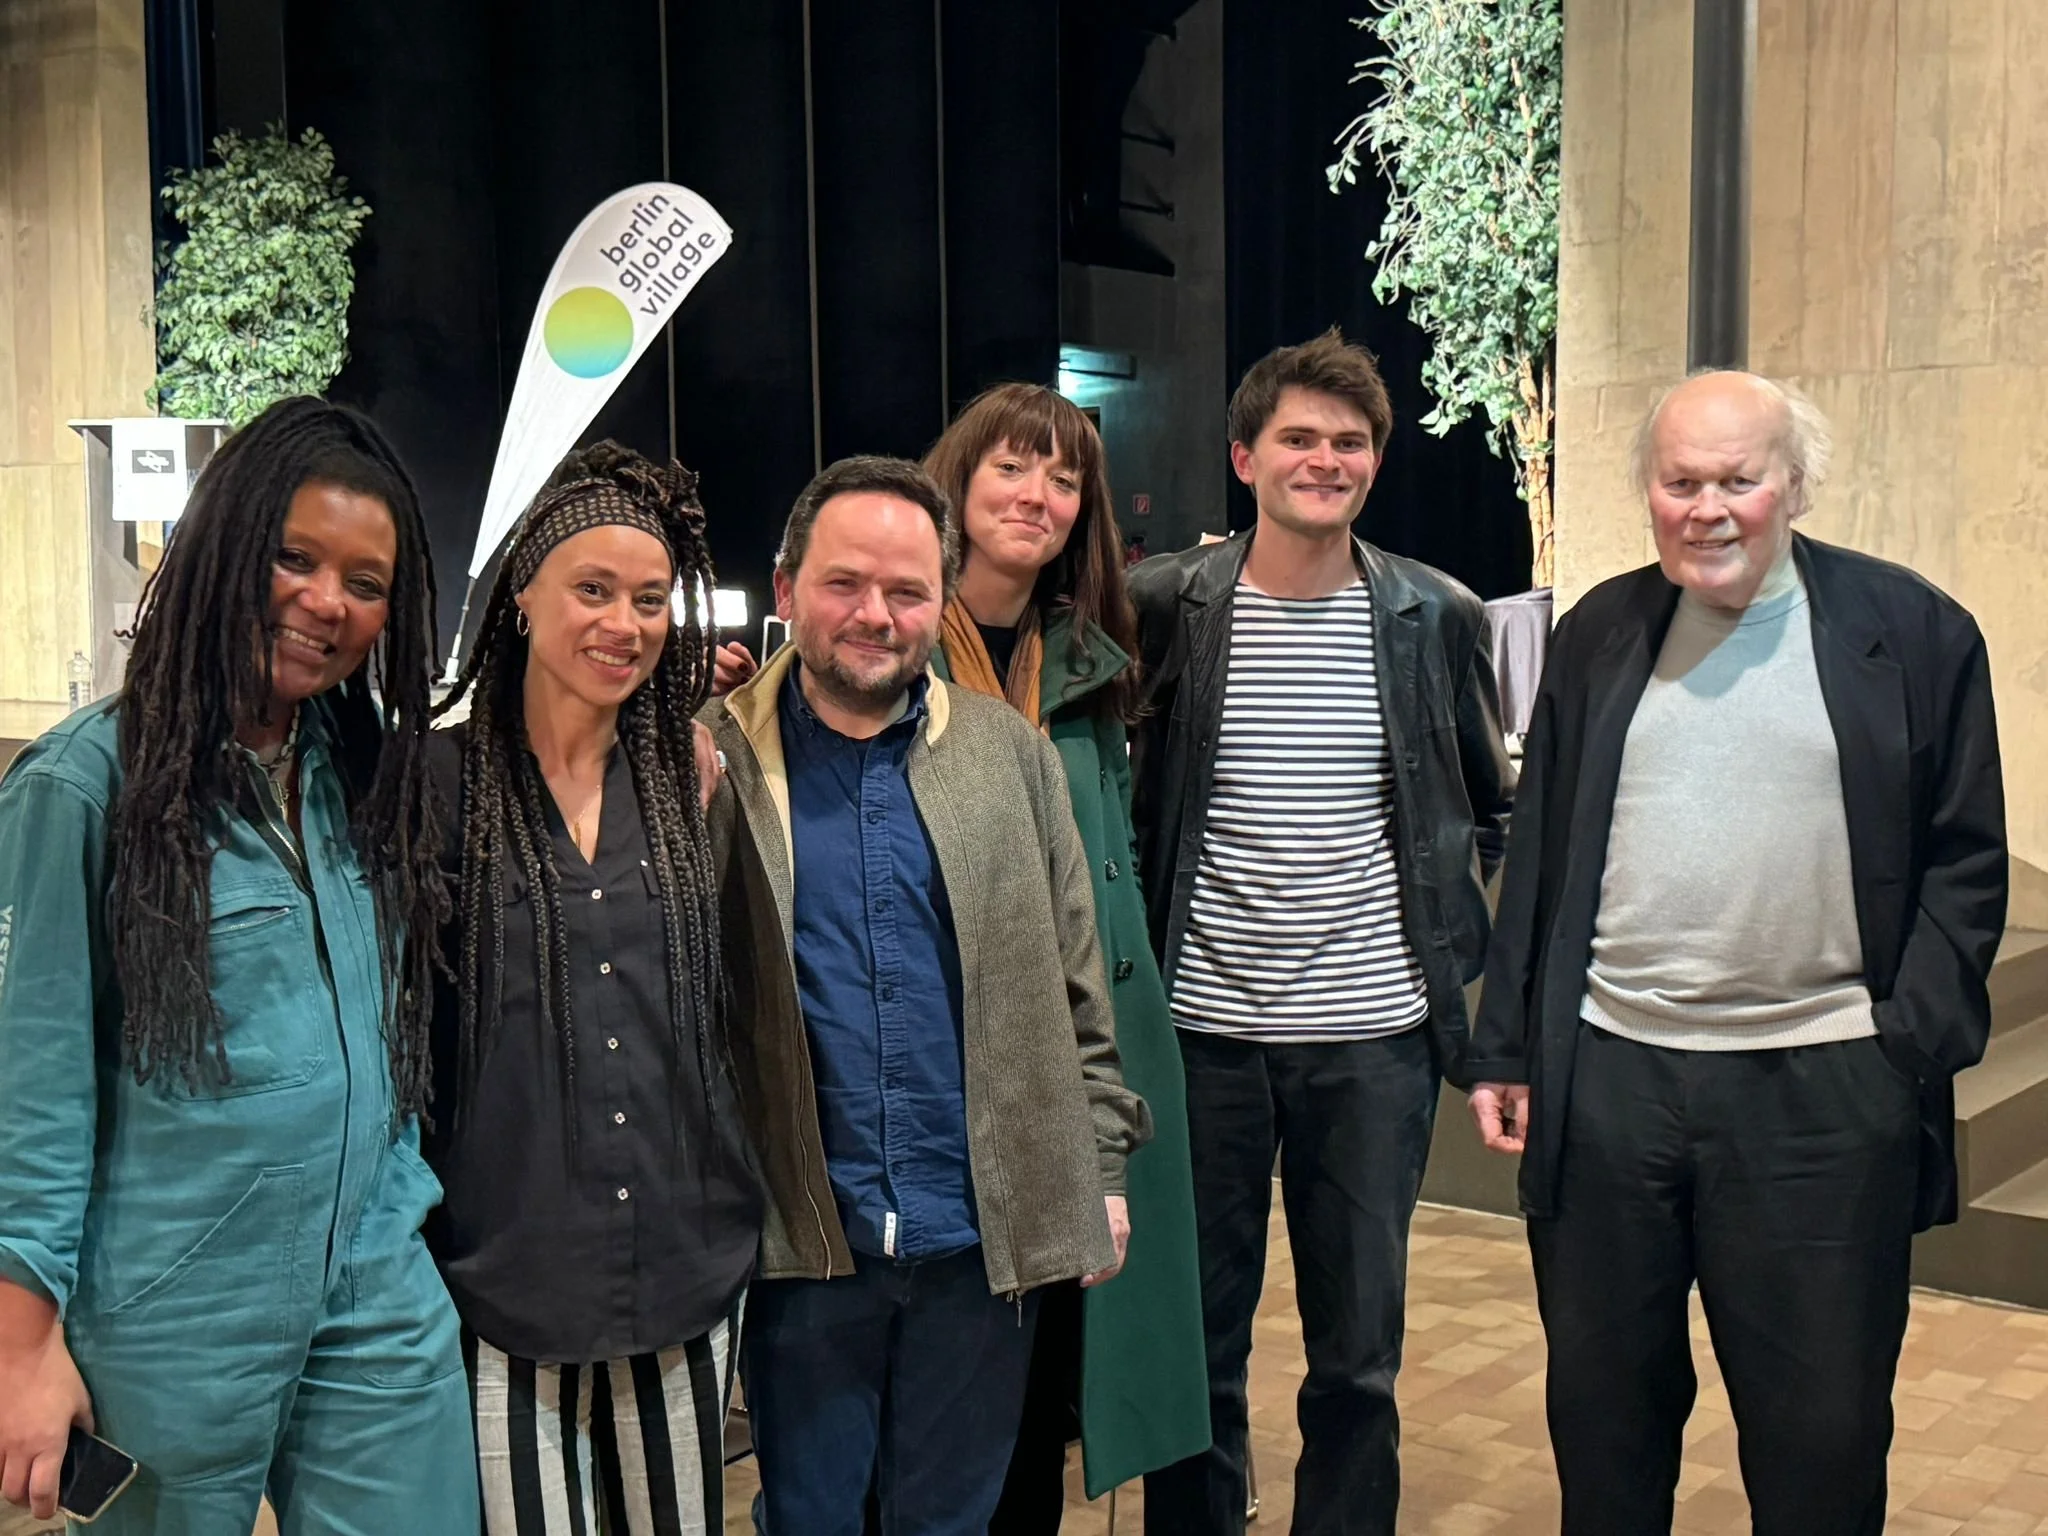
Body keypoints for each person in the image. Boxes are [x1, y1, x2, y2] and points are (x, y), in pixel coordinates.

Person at [1466, 371, 2007, 1535]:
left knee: (1819, 1436)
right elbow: (1543, 851)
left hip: (1820, 1093)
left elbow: (1966, 862)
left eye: (1735, 480)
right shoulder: (1600, 633)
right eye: (1678, 482)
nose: (1704, 508)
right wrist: (1504, 1046)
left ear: (1791, 487)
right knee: (1604, 1429)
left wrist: (1899, 1043)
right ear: (1648, 494)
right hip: (1612, 1086)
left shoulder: (1910, 634)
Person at [0, 398, 476, 1534]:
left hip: (371, 1281)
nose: (327, 602)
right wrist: (21, 1351)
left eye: (365, 583)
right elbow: (31, 1095)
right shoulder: (83, 787)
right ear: (223, 549)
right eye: (293, 557)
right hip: (171, 1306)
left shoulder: (363, 775)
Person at [703, 455, 1150, 1536]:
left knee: (950, 1524)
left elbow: (1076, 990)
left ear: (938, 601)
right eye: (844, 584)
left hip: (978, 1247)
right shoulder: (712, 763)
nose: (875, 615)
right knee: (809, 1519)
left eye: (906, 593)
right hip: (803, 1245)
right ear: (785, 588)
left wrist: (1097, 1168)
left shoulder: (1009, 758)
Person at [1130, 330, 1514, 1536]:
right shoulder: (1161, 608)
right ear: (1243, 456)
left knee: (1358, 1354)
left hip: (1371, 1043)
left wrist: (1482, 998)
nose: (1324, 459)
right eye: (1297, 438)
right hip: (1198, 1039)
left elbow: (1489, 813)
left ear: (1374, 464)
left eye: (1348, 442)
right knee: (1193, 1346)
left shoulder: (1434, 615)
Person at [427, 443, 759, 1534]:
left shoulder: (688, 780)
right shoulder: (435, 790)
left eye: (651, 599)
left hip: (680, 1266)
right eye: (594, 590)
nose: (625, 622)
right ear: (523, 594)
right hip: (504, 1273)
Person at [922, 384, 1207, 1527]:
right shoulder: (891, 639)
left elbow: (1112, 862)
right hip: (941, 1052)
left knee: (1047, 1381)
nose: (1035, 496)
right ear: (957, 479)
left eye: (1062, 477)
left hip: (1083, 1055)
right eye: (1010, 468)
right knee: (950, 1386)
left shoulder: (1089, 667)